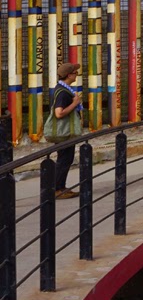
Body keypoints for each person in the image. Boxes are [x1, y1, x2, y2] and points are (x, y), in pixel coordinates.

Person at [53, 62, 83, 199]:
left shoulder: (62, 88)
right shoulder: (63, 93)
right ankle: (57, 189)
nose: (77, 75)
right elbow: (59, 113)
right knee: (64, 159)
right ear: (69, 75)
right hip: (64, 131)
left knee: (66, 159)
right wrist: (75, 103)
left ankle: (61, 187)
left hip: (65, 130)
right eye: (75, 73)